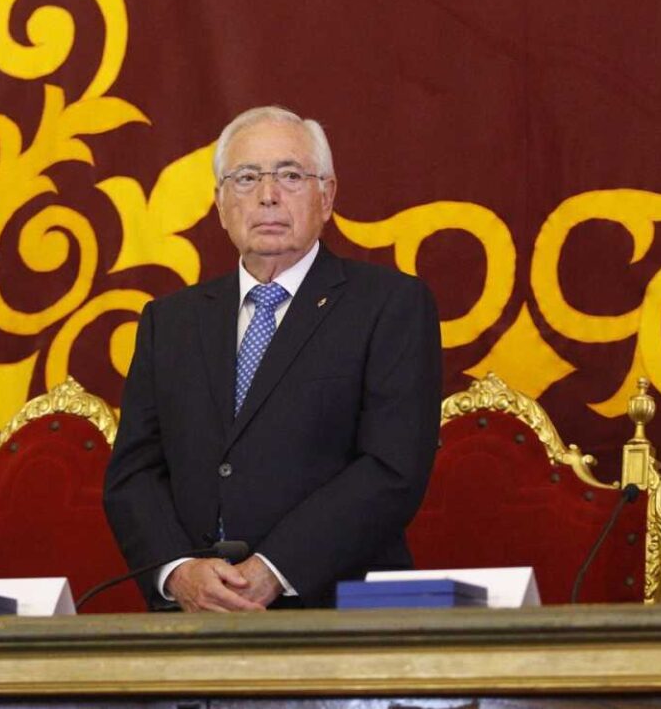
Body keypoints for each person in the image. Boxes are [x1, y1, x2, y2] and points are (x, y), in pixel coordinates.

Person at [103, 105, 443, 611]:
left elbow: (392, 467)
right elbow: (134, 474)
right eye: (245, 178)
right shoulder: (169, 322)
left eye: (290, 175)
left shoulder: (390, 305)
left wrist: (275, 568)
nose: (268, 195)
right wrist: (179, 572)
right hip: (195, 615)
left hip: (336, 613)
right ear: (220, 205)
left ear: (326, 196)